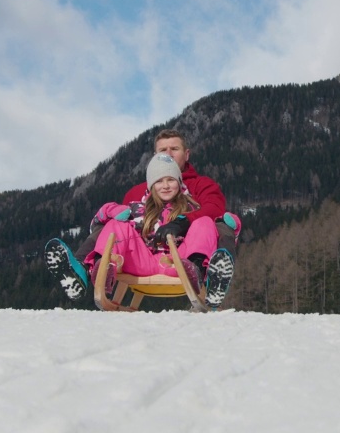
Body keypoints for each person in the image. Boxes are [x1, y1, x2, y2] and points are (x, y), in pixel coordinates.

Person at [45, 129, 239, 307]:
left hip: (181, 255)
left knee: (216, 224)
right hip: (143, 256)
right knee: (114, 224)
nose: (168, 154)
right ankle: (86, 269)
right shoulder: (138, 193)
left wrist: (183, 221)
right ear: (155, 156)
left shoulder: (201, 186)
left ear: (186, 154)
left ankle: (212, 275)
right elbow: (124, 229)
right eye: (163, 150)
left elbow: (214, 209)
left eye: (175, 149)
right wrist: (110, 213)